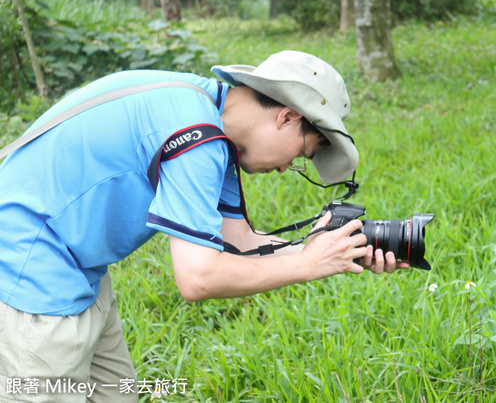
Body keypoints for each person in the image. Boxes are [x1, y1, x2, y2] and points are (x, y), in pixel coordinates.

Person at [0, 50, 409, 402]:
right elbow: (197, 278)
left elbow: (239, 242)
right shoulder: (194, 134)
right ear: (287, 117)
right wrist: (309, 265)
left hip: (81, 273)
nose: (288, 168)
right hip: (33, 279)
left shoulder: (208, 113)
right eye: (302, 154)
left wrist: (332, 248)